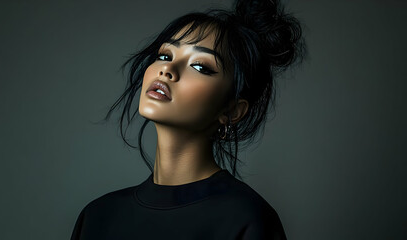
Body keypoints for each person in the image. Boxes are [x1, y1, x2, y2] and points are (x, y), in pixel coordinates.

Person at [71, 0, 306, 239]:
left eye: (200, 66)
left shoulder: (248, 219)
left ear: (232, 110)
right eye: (164, 55)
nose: (168, 69)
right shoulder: (97, 216)